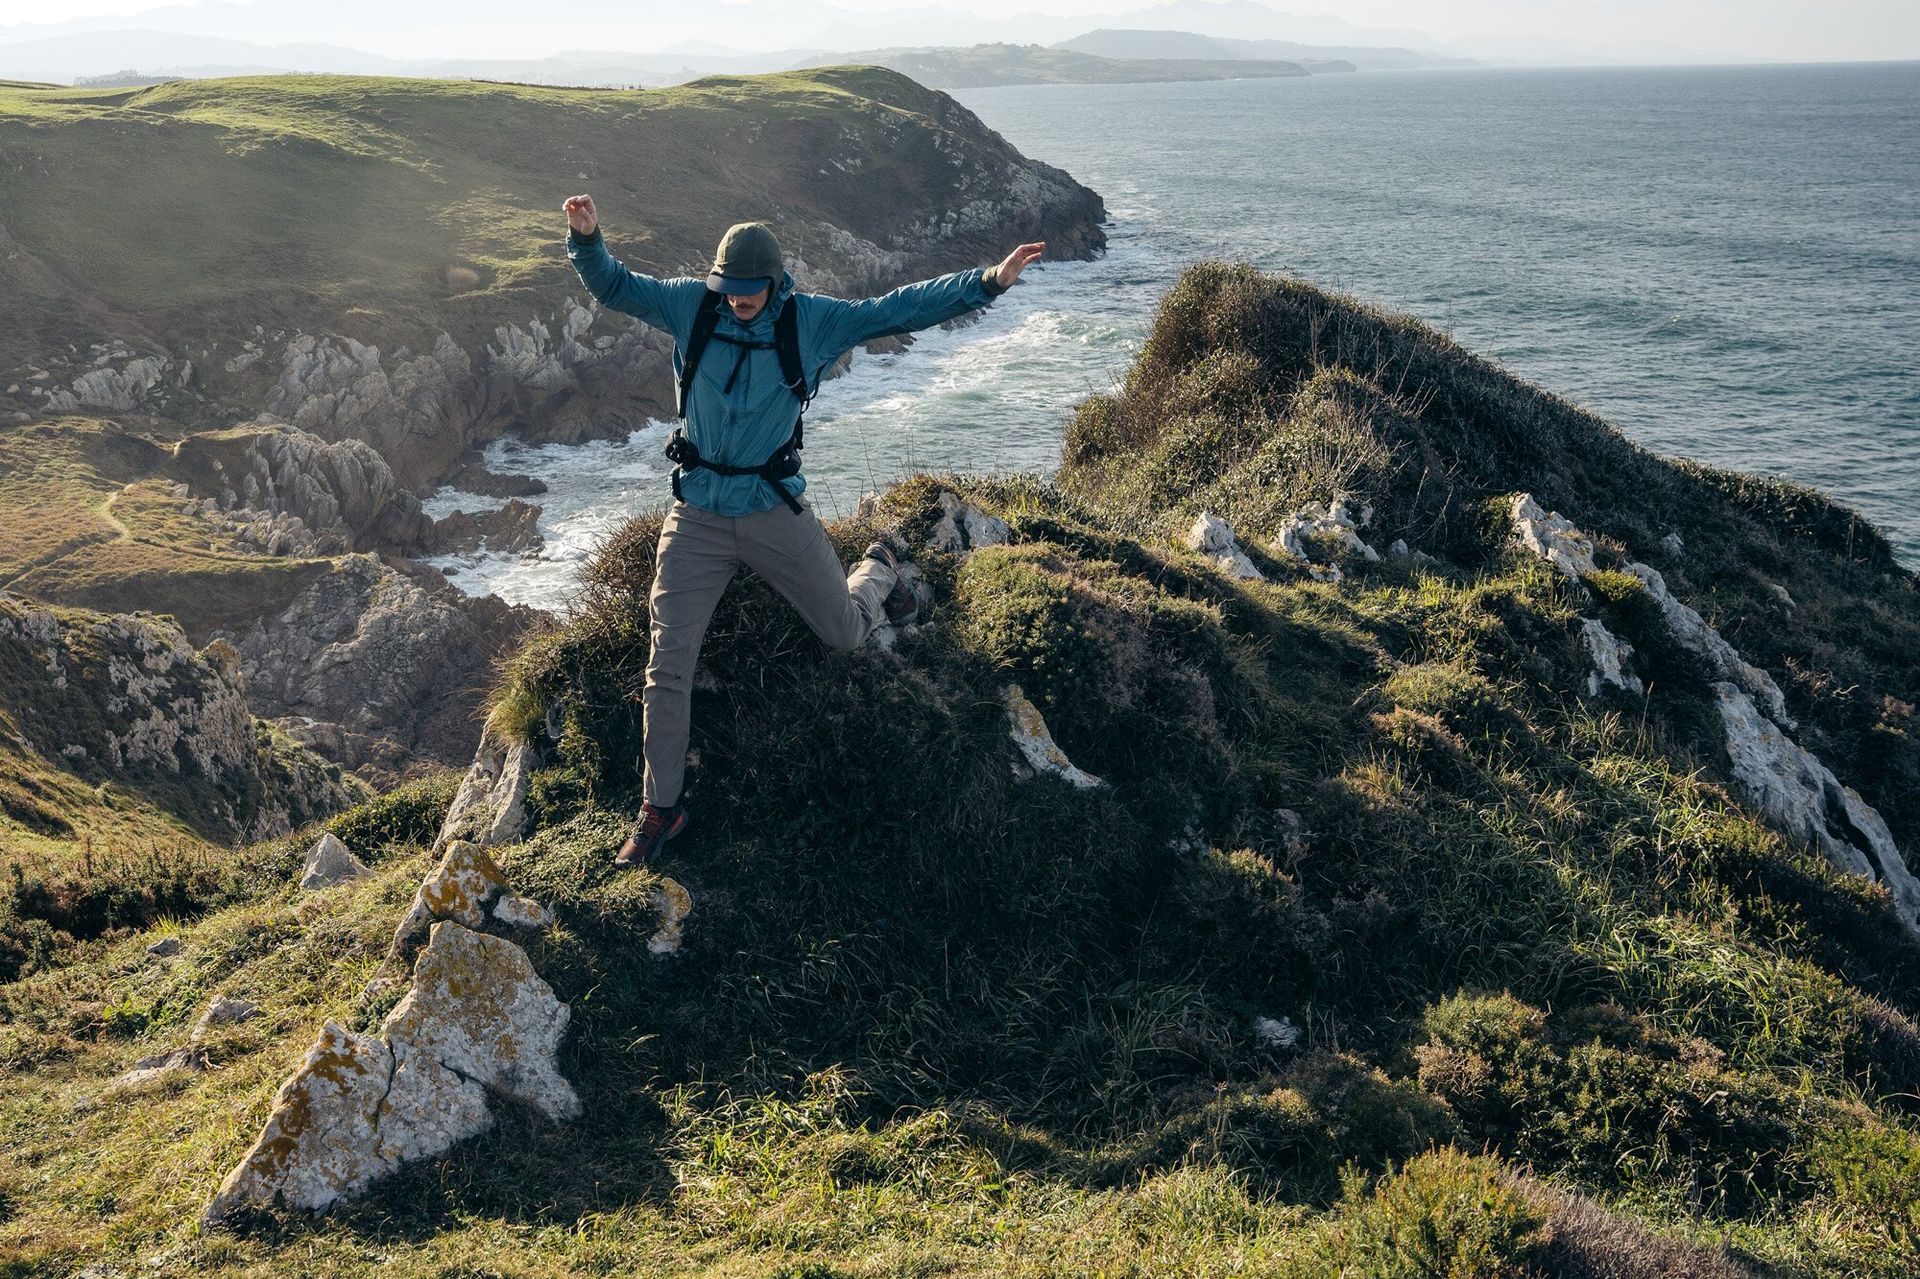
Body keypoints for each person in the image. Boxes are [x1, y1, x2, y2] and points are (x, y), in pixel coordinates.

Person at [563, 193, 1046, 867]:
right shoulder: (690, 307)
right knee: (666, 667)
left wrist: (988, 282)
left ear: (774, 283)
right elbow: (615, 286)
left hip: (771, 512)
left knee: (848, 636)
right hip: (697, 517)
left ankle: (879, 569)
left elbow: (895, 309)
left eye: (748, 291)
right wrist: (587, 239)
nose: (736, 301)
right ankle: (660, 809)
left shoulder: (809, 322)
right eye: (727, 289)